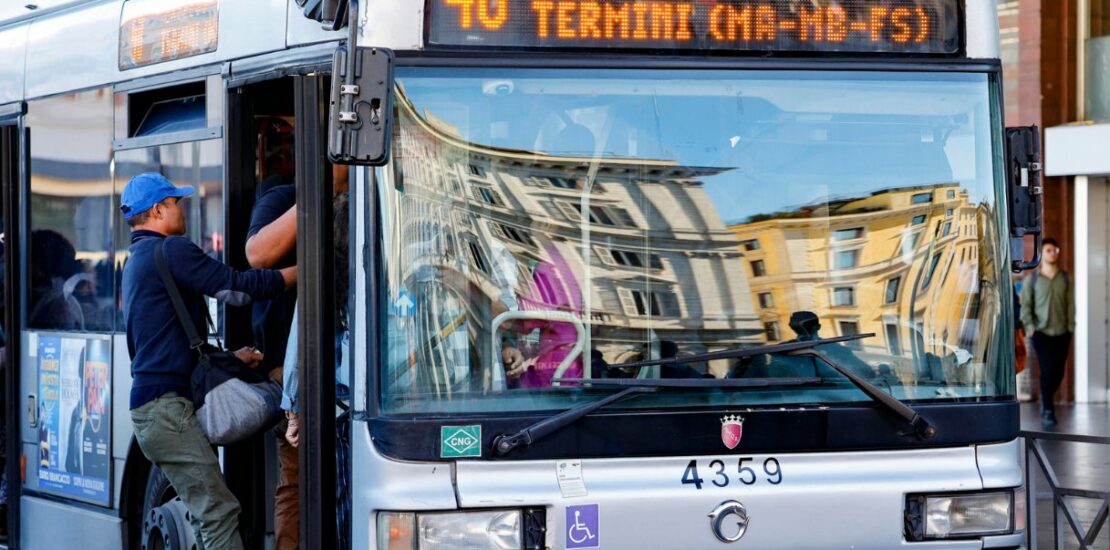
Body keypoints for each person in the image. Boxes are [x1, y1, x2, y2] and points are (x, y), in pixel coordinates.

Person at [121, 173, 295, 550]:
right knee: (218, 513)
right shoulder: (172, 250)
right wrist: (304, 272)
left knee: (206, 514)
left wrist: (228, 357)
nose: (182, 210)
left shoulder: (134, 262)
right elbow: (238, 289)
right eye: (176, 203)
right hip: (169, 412)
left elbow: (158, 344)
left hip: (152, 412)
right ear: (157, 209)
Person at [1020, 238, 1075, 427]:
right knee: (1047, 370)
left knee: (1058, 373)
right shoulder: (1032, 279)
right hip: (1041, 332)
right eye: (1049, 250)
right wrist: (1030, 325)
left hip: (1062, 331)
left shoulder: (1065, 278)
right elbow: (1025, 305)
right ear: (1042, 253)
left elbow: (1071, 304)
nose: (1053, 253)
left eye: (1055, 250)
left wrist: (1070, 327)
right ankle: (1048, 410)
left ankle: (1045, 397)